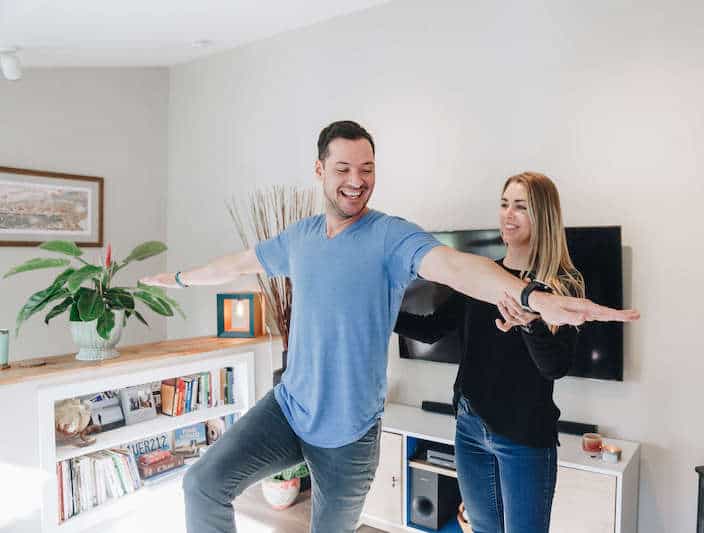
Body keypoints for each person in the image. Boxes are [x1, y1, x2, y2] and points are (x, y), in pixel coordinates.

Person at [140, 121, 639, 533]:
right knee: (200, 483)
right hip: (295, 409)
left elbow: (456, 266)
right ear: (319, 170)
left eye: (367, 169)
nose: (356, 180)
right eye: (343, 169)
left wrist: (535, 299)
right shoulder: (300, 238)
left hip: (363, 435)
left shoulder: (391, 236)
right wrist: (181, 278)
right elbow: (240, 262)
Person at [396, 172, 587, 532]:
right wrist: (382, 313)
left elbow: (555, 366)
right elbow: (433, 328)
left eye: (520, 207)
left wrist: (529, 323)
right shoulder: (483, 276)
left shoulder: (562, 284)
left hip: (524, 438)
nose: (507, 214)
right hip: (470, 427)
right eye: (503, 205)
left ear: (542, 215)